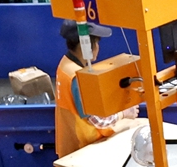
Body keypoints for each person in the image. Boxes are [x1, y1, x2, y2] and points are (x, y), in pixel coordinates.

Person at [54, 21, 138, 157]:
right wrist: (124, 113)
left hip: (70, 142)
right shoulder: (77, 77)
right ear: (85, 46)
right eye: (96, 43)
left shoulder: (65, 64)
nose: (98, 48)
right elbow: (98, 121)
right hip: (83, 147)